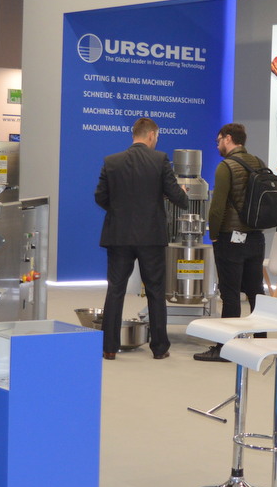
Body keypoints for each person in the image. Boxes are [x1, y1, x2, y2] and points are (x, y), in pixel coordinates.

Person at [95, 117, 188, 361]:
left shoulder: (111, 161)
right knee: (155, 291)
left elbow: (100, 197)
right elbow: (178, 197)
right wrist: (182, 193)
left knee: (115, 289)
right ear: (151, 135)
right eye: (157, 137)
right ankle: (159, 348)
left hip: (118, 235)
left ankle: (109, 348)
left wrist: (119, 211)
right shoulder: (160, 159)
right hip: (151, 236)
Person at [194, 122, 267, 363]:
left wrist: (214, 234)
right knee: (256, 292)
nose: (217, 146)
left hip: (231, 239)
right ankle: (261, 342)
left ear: (228, 139)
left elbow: (217, 207)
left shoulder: (226, 167)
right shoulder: (258, 162)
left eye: (218, 141)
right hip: (256, 238)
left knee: (231, 293)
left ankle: (226, 348)